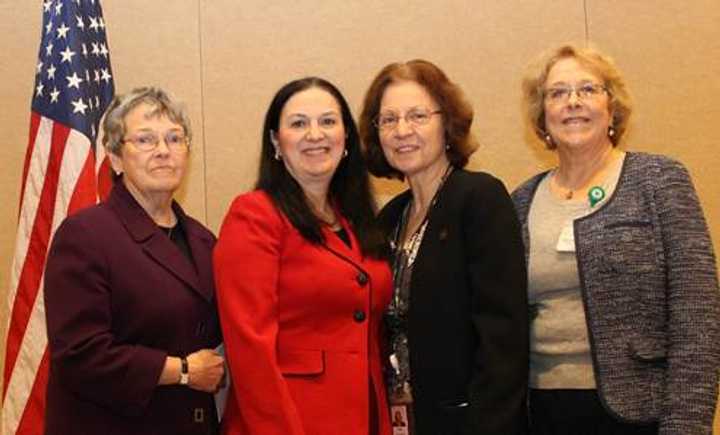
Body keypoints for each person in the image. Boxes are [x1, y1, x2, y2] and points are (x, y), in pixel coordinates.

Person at [512, 43, 720, 435]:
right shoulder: (521, 201)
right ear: (542, 116)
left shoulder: (658, 180)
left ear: (612, 107)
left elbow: (697, 315)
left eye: (588, 90)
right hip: (542, 412)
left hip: (643, 413)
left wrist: (687, 424)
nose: (573, 102)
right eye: (557, 93)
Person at [214, 77, 393, 435]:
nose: (316, 134)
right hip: (290, 419)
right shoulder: (254, 215)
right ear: (276, 142)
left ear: (346, 140)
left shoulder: (357, 220)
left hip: (365, 416)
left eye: (328, 121)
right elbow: (250, 348)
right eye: (298, 123)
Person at [359, 59, 529, 435]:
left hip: (466, 421)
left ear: (447, 123)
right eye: (388, 120)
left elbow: (504, 337)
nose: (402, 130)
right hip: (399, 420)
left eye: (418, 115)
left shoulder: (479, 198)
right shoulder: (389, 218)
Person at [43, 87, 225, 435]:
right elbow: (79, 354)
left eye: (175, 139)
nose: (163, 151)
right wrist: (183, 370)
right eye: (145, 140)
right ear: (114, 157)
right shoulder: (85, 235)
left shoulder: (204, 241)